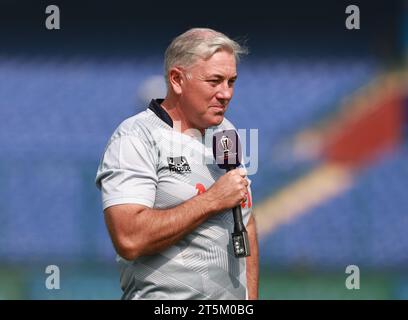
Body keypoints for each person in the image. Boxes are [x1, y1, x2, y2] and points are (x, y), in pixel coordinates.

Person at [95, 28, 258, 300]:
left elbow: (246, 222)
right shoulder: (135, 137)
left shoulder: (226, 133)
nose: (226, 93)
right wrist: (212, 200)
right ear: (177, 80)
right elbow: (129, 239)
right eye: (215, 81)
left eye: (231, 81)